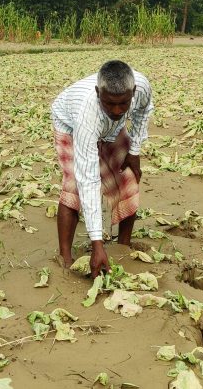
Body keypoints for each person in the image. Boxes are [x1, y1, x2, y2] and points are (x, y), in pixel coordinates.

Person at [50, 60, 154, 278]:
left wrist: (134, 151)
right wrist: (97, 244)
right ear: (98, 93)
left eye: (123, 103)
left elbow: (143, 112)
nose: (117, 110)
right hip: (68, 122)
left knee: (128, 177)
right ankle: (66, 258)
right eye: (109, 103)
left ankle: (122, 247)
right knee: (75, 186)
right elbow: (88, 179)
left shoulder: (141, 86)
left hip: (111, 130)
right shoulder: (87, 116)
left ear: (133, 92)